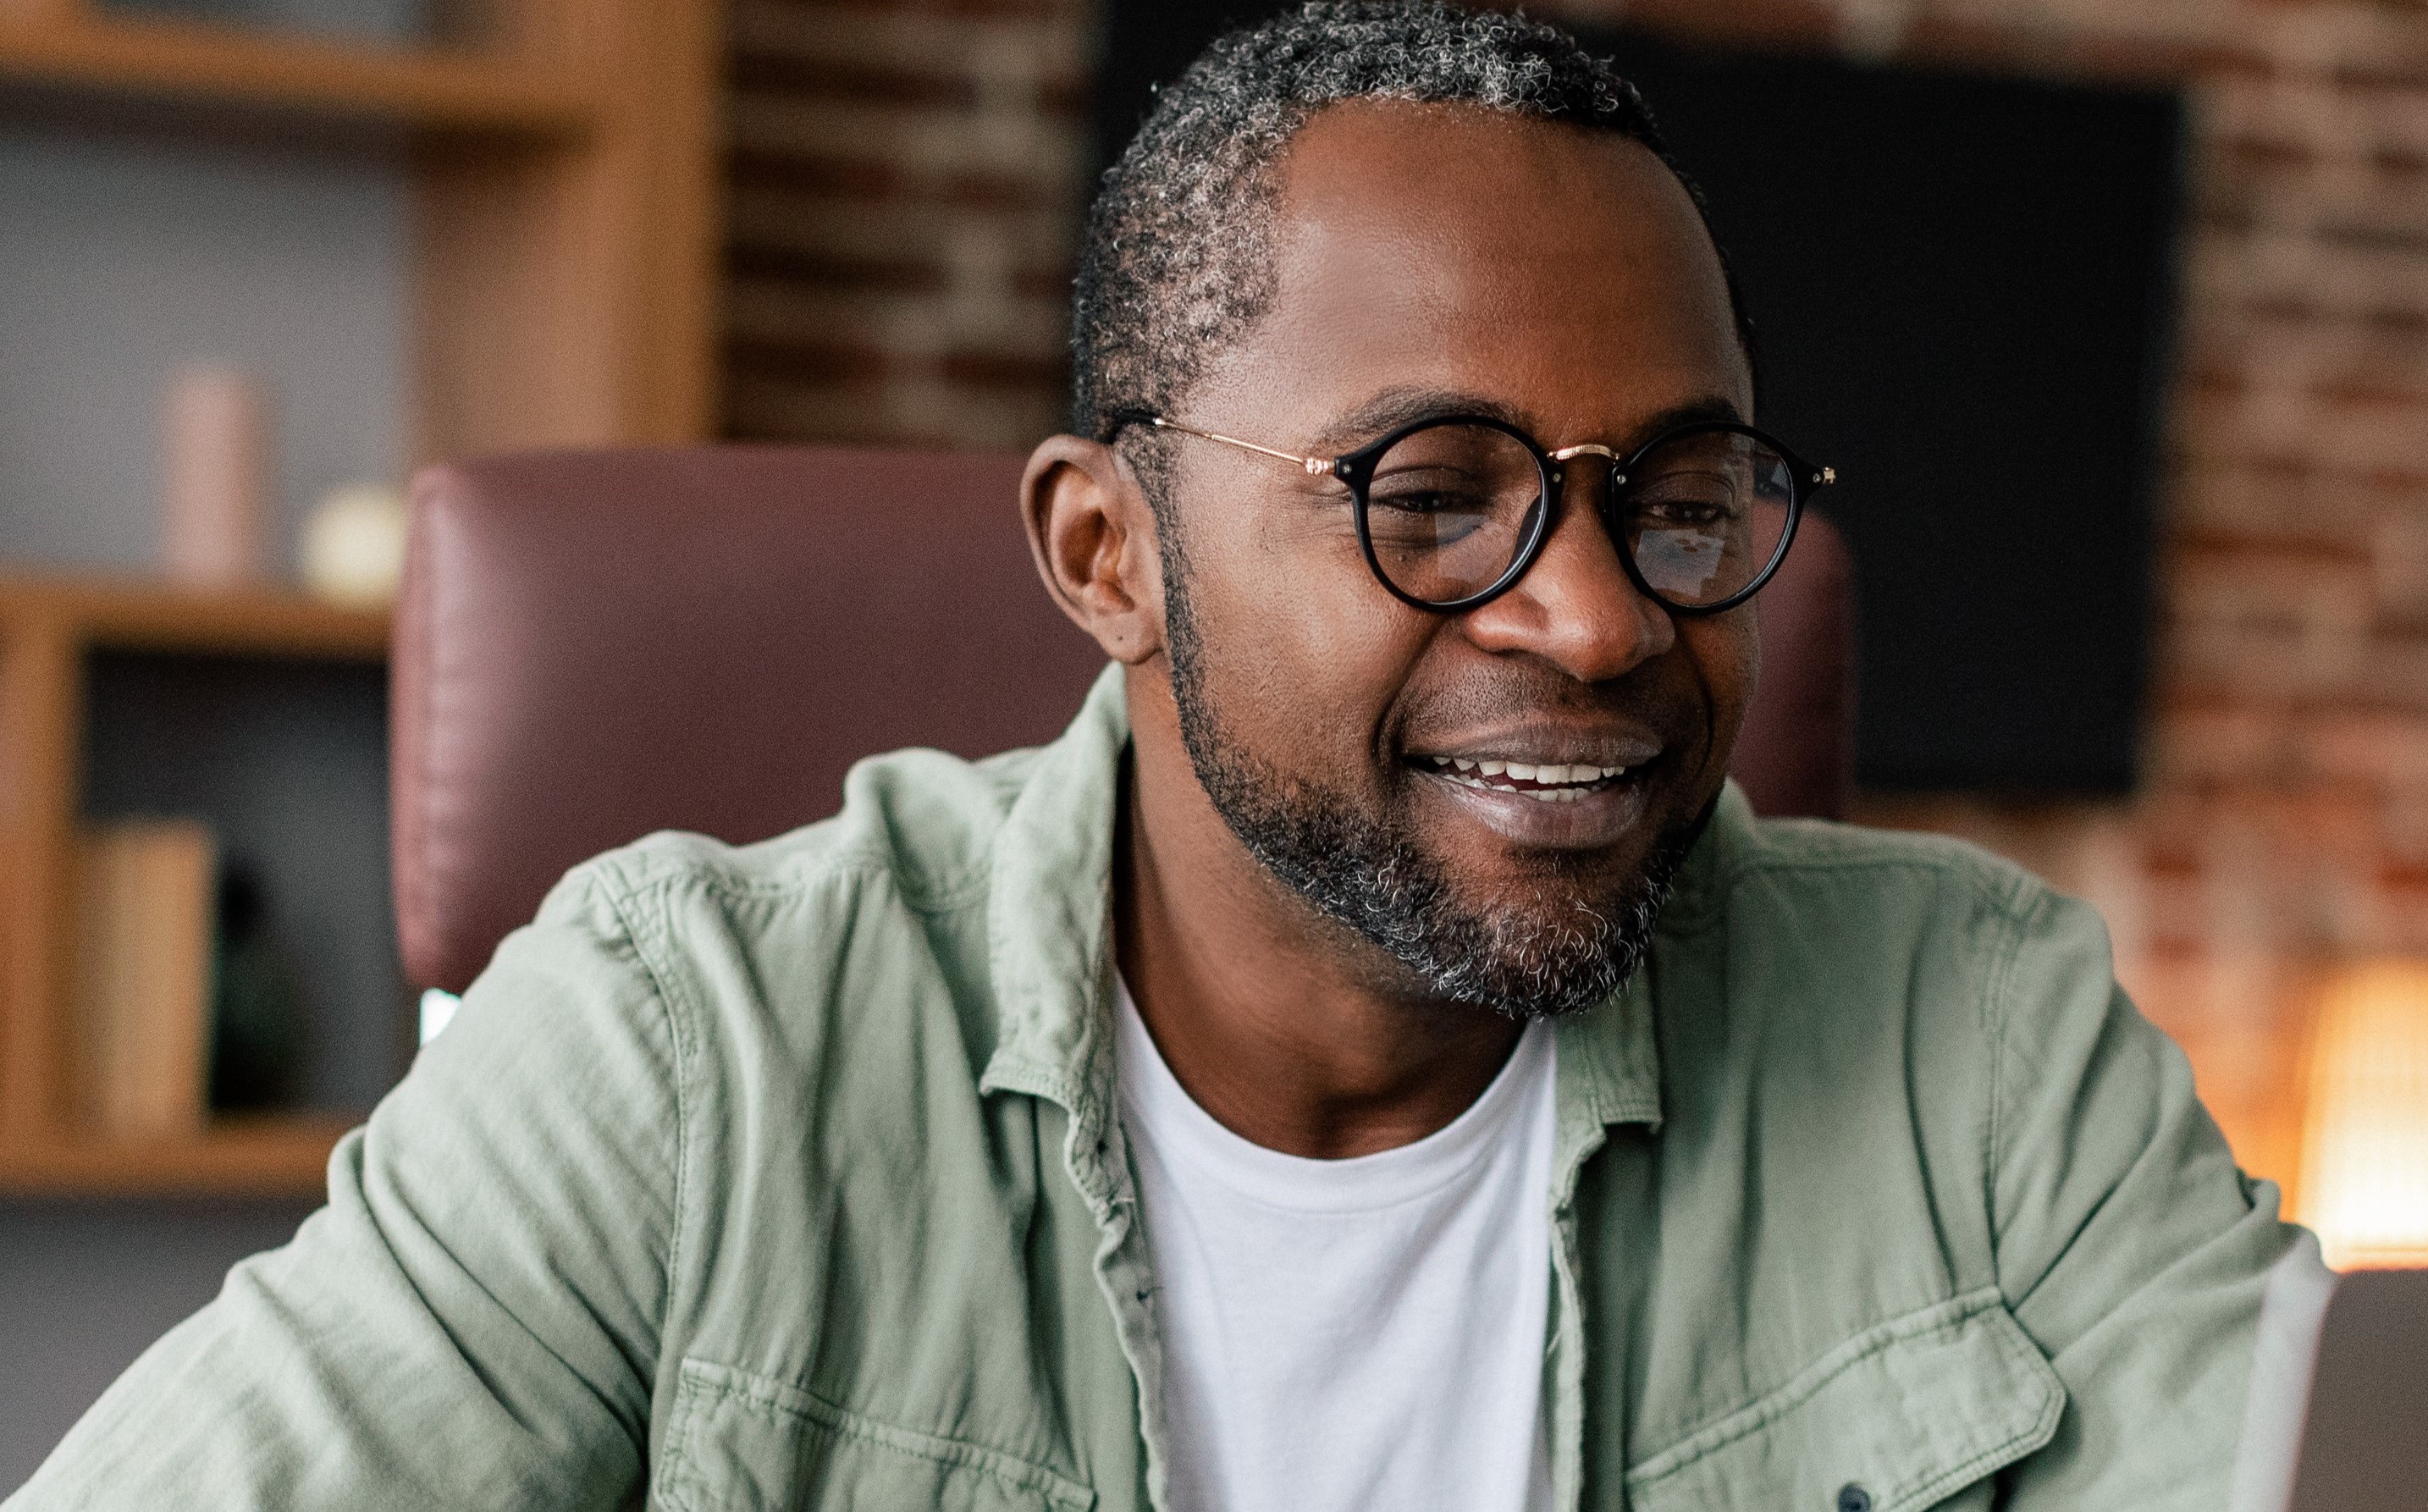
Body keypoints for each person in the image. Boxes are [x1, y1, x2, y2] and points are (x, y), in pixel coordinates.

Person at [9, 5, 2310, 1509]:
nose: (1603, 615)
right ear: (1111, 553)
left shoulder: (1977, 1046)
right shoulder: (686, 1059)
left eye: (1681, 495)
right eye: (1434, 495)